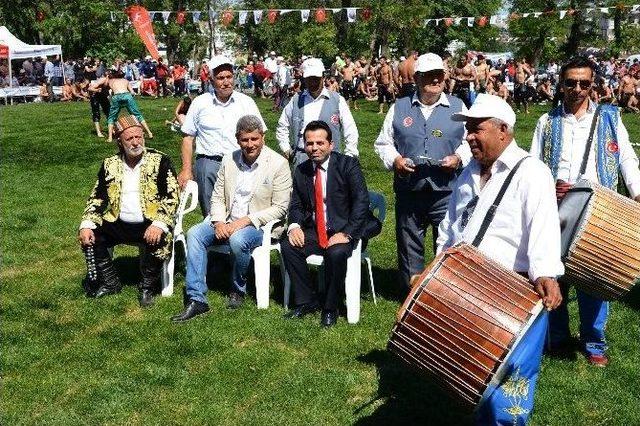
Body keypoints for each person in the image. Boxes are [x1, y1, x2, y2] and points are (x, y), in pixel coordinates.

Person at [437, 93, 563, 425]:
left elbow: (544, 226)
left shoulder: (532, 172)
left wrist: (546, 272)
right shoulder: (467, 174)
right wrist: (438, 269)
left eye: (477, 129)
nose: (469, 137)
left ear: (503, 130)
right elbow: (450, 226)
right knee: (474, 371)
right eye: (468, 130)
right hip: (467, 285)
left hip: (515, 292)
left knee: (510, 386)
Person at [530, 56, 640, 367]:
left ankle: (594, 341)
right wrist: (548, 187)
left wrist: (638, 192)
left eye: (584, 83)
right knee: (555, 273)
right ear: (560, 84)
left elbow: (626, 158)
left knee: (597, 275)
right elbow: (533, 164)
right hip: (555, 208)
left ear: (593, 85)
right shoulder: (545, 122)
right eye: (570, 82)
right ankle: (558, 335)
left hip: (601, 210)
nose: (577, 88)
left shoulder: (609, 118)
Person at [170, 115, 292, 321]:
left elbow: (280, 208)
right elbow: (217, 196)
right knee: (195, 233)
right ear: (238, 139)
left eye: (254, 139)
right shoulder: (229, 159)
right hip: (226, 219)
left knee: (238, 239)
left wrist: (243, 222)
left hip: (258, 225)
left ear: (262, 137)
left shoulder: (278, 164)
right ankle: (196, 298)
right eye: (245, 140)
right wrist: (217, 221)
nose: (250, 144)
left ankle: (237, 288)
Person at [374, 53, 470, 289]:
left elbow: (470, 140)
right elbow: (383, 143)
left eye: (439, 75)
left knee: (448, 242)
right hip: (409, 188)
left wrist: (459, 158)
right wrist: (396, 159)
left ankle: (445, 293)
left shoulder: (458, 106)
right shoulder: (399, 107)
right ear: (416, 78)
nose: (435, 80)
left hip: (447, 190)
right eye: (429, 76)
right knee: (409, 243)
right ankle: (411, 294)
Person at [78, 115, 179, 307]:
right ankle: (110, 283)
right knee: (90, 234)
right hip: (118, 221)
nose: (135, 142)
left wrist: (158, 224)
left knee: (160, 237)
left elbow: (172, 196)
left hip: (149, 221)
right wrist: (86, 225)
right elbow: (97, 197)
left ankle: (147, 287)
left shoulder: (160, 161)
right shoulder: (110, 164)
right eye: (129, 139)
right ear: (119, 142)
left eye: (138, 137)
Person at [281, 121, 370, 327]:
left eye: (320, 143)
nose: (314, 148)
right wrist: (294, 225)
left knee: (336, 253)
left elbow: (361, 202)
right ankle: (306, 301)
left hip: (343, 228)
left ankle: (331, 307)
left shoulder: (348, 165)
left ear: (331, 144)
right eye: (309, 143)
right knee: (288, 246)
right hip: (315, 229)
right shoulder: (302, 170)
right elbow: (296, 204)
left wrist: (347, 233)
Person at [178, 55, 266, 217]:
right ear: (211, 81)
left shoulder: (246, 102)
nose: (226, 82)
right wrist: (186, 169)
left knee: (240, 210)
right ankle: (213, 241)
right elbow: (188, 138)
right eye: (220, 78)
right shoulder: (200, 103)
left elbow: (261, 136)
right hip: (208, 164)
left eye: (229, 77)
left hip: (240, 162)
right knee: (211, 215)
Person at [276, 58, 359, 167]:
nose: (313, 82)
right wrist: (286, 149)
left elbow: (350, 129)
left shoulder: (337, 100)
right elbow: (282, 125)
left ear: (323, 77)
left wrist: (349, 154)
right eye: (309, 79)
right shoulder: (296, 100)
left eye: (316, 78)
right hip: (302, 159)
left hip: (331, 160)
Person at [105, 70, 153, 142]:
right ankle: (149, 133)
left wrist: (107, 77)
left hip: (116, 97)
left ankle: (110, 138)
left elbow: (105, 85)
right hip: (127, 95)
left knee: (111, 117)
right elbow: (132, 92)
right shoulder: (126, 81)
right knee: (137, 115)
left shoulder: (111, 81)